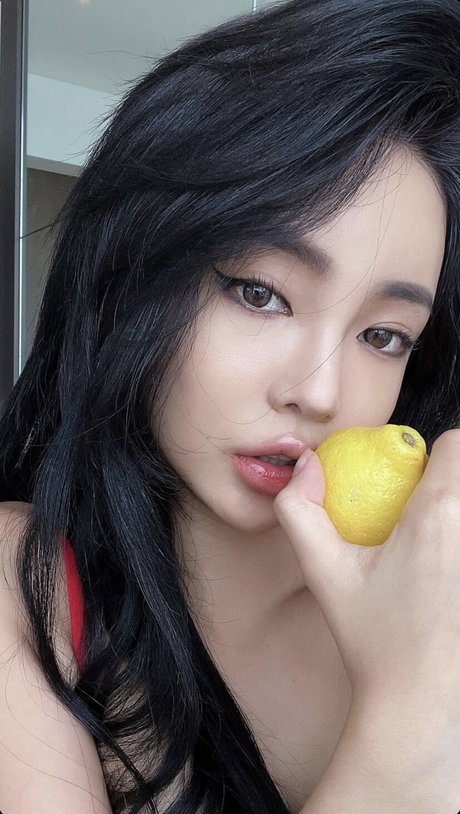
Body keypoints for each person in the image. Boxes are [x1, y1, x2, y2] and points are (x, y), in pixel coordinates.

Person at [1, 0, 460, 811]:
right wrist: (408, 718)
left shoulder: (432, 589)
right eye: (260, 293)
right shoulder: (28, 581)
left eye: (384, 336)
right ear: (138, 275)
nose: (319, 393)